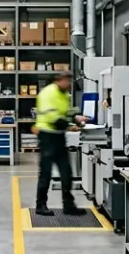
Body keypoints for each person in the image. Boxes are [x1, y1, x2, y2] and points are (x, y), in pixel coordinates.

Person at [34, 72, 88, 216]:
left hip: (59, 137)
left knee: (66, 173)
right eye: (67, 81)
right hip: (47, 137)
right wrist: (69, 126)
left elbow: (66, 112)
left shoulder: (64, 94)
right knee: (45, 173)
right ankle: (40, 205)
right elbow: (52, 117)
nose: (69, 85)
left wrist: (76, 117)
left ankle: (68, 205)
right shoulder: (47, 94)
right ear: (59, 80)